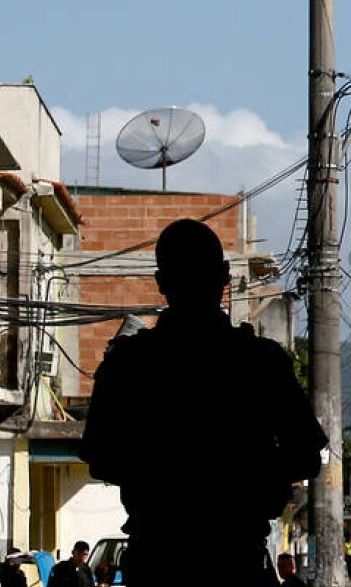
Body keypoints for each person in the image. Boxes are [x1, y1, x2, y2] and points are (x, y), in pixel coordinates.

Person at [79, 219, 328, 586]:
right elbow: (307, 455)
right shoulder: (260, 362)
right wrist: (251, 478)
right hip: (234, 556)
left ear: (161, 282)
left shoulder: (129, 363)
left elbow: (99, 459)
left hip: (159, 557)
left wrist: (155, 472)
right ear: (225, 277)